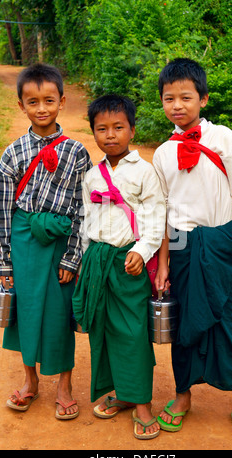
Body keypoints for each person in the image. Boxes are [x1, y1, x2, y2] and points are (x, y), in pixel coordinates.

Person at [153, 58, 232, 438]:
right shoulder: (163, 153)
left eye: (186, 97)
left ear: (204, 99)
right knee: (183, 322)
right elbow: (161, 212)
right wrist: (163, 264)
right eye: (169, 98)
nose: (177, 105)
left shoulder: (224, 139)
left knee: (231, 320)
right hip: (181, 245)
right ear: (162, 103)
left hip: (220, 241)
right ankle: (183, 395)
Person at [0, 63, 92, 419]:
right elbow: (1, 211)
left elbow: (84, 208)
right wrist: (3, 261)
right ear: (21, 105)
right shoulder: (13, 153)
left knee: (60, 312)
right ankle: (30, 381)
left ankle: (64, 385)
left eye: (49, 100)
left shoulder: (78, 153)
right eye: (33, 102)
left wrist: (73, 257)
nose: (42, 108)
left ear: (62, 101)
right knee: (26, 312)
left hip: (61, 243)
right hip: (23, 242)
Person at [72, 94, 166, 439]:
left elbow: (156, 218)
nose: (110, 135)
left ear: (132, 129)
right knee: (104, 330)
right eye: (101, 129)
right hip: (97, 261)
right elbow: (85, 219)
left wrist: (142, 251)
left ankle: (142, 402)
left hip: (129, 263)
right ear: (93, 132)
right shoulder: (91, 175)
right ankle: (123, 394)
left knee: (132, 331)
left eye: (118, 127)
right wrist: (82, 261)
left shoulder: (145, 171)